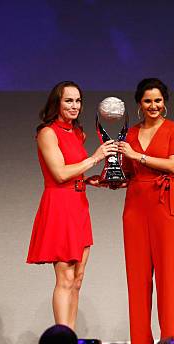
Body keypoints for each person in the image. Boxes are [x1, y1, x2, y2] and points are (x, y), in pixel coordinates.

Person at [27, 81, 118, 330]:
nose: (74, 106)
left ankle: (72, 341)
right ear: (56, 103)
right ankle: (62, 343)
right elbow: (59, 173)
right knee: (65, 278)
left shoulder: (78, 133)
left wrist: (92, 180)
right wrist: (96, 158)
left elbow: (74, 171)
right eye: (69, 100)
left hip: (79, 204)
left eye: (78, 101)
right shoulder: (48, 132)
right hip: (59, 206)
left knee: (77, 279)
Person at [118, 78, 174, 344]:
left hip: (165, 206)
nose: (153, 106)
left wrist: (138, 156)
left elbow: (172, 164)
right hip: (135, 207)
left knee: (169, 279)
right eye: (148, 101)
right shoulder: (129, 133)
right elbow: (127, 173)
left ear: (165, 102)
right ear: (139, 104)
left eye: (158, 100)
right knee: (137, 280)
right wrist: (108, 179)